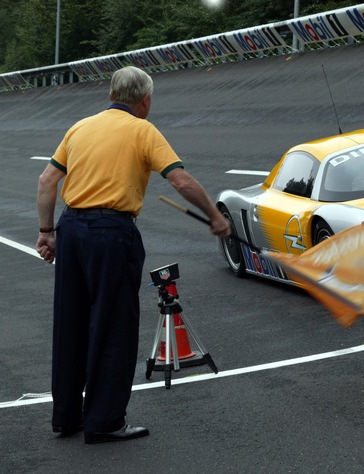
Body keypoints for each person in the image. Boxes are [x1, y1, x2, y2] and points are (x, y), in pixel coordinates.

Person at [35, 66, 231, 444]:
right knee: (112, 324)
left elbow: (47, 181)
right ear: (145, 100)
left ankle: (67, 416)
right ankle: (105, 420)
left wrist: (47, 233)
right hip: (111, 232)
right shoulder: (143, 130)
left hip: (71, 228)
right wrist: (214, 216)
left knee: (71, 323)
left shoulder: (80, 128)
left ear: (111, 94)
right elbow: (181, 180)